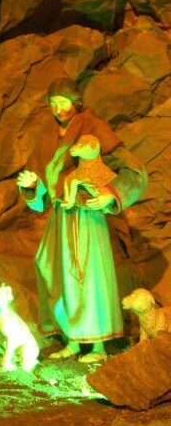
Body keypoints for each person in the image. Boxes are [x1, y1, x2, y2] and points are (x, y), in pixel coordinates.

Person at [16, 77, 146, 364]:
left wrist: (110, 193)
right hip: (60, 214)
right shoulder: (49, 133)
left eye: (63, 102)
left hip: (86, 215)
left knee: (88, 275)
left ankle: (97, 346)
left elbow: (133, 170)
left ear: (75, 102)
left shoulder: (92, 125)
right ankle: (72, 340)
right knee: (54, 271)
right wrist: (32, 185)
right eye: (53, 104)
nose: (58, 109)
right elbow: (44, 186)